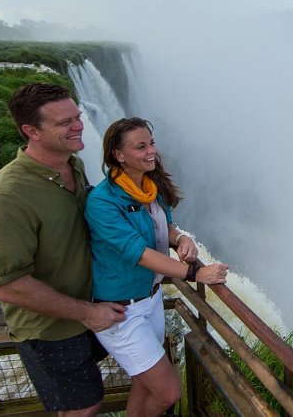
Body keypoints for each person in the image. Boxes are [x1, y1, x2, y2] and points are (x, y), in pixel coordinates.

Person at [0, 83, 127, 416]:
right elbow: (8, 286)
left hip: (91, 308)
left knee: (87, 399)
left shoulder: (73, 165)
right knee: (82, 408)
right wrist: (86, 313)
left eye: (78, 116)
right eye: (64, 122)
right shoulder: (3, 198)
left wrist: (167, 231)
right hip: (53, 329)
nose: (79, 126)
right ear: (31, 131)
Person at [85, 117, 228, 416]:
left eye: (151, 142)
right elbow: (140, 254)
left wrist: (181, 237)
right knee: (168, 393)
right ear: (118, 155)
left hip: (150, 300)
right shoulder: (102, 201)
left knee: (144, 383)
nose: (151, 150)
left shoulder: (150, 188)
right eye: (141, 146)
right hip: (120, 310)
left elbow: (165, 228)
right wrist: (196, 273)